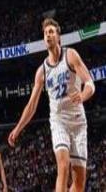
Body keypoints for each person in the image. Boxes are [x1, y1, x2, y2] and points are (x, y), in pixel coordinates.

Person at [8, 18, 95, 192]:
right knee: (63, 166)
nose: (48, 35)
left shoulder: (70, 55)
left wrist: (82, 95)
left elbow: (90, 84)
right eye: (45, 33)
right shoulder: (42, 71)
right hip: (58, 121)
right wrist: (17, 129)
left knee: (79, 183)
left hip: (78, 121)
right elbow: (31, 106)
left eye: (51, 32)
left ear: (58, 36)